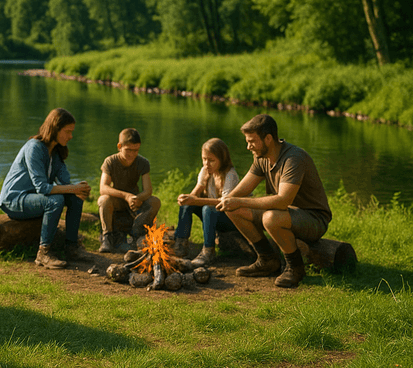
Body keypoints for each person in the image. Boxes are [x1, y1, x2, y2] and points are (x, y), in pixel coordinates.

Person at [217, 114, 332, 288]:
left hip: (313, 219)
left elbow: (282, 201)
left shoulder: (293, 158)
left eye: (252, 141)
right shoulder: (261, 158)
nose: (248, 147)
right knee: (233, 209)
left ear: (268, 139)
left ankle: (295, 268)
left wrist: (239, 201)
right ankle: (267, 259)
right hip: (285, 214)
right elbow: (240, 192)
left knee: (270, 217)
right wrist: (223, 201)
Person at [0, 107, 91, 269]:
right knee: (55, 200)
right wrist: (72, 188)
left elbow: (66, 182)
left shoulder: (55, 153)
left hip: (34, 199)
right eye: (67, 132)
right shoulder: (34, 147)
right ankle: (43, 254)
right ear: (55, 128)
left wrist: (80, 189)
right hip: (14, 199)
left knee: (74, 199)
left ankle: (71, 248)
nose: (71, 136)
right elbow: (42, 187)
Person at [173, 138, 240, 267]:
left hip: (230, 218)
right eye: (204, 159)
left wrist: (196, 200)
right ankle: (180, 244)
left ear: (222, 159)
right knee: (187, 205)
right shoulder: (206, 170)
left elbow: (225, 203)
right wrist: (186, 198)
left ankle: (208, 251)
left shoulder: (230, 175)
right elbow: (194, 195)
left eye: (211, 160)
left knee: (207, 209)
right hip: (212, 215)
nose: (206, 164)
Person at [97, 128, 160, 253]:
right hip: (117, 200)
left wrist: (138, 198)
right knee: (103, 199)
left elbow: (148, 190)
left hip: (135, 202)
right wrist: (126, 196)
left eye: (136, 150)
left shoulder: (143, 162)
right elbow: (103, 188)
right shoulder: (110, 161)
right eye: (128, 150)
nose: (132, 154)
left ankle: (137, 232)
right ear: (119, 146)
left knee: (155, 201)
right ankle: (107, 237)